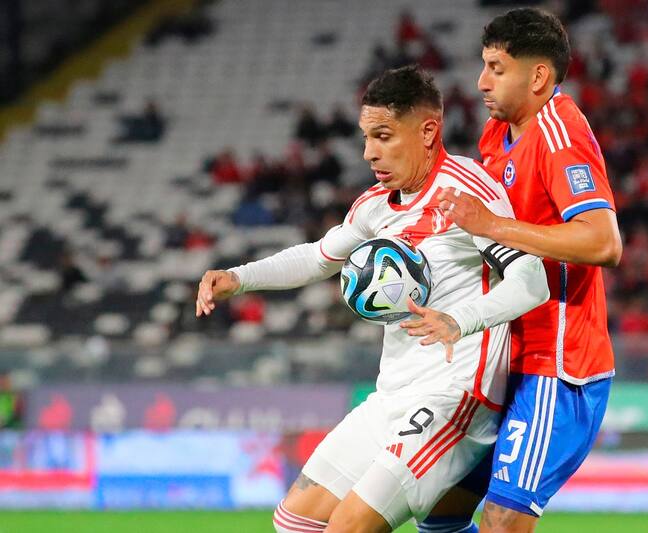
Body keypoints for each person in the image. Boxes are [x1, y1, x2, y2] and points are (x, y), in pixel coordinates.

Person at [195, 66, 549, 532]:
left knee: (349, 527)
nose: (369, 153)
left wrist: (459, 320)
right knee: (293, 522)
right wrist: (238, 278)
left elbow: (532, 280)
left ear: (428, 131)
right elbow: (318, 257)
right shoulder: (375, 204)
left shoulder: (467, 191)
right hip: (391, 397)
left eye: (382, 136)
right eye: (366, 138)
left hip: (455, 396)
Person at [412, 8, 623, 532]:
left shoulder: (560, 134)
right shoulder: (496, 134)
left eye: (497, 68)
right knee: (436, 509)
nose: (481, 82)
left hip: (556, 362)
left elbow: (603, 242)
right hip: (502, 355)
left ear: (538, 76)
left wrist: (491, 225)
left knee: (504, 519)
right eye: (483, 65)